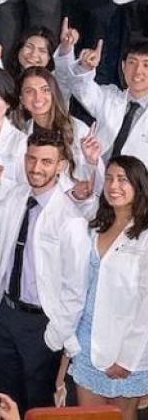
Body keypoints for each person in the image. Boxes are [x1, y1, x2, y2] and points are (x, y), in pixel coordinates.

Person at [0, 129, 97, 412]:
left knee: (37, 405)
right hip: (5, 314)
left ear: (60, 166)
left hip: (41, 323)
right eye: (31, 159)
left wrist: (54, 335)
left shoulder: (70, 219)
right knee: (5, 399)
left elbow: (76, 288)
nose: (36, 168)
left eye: (46, 161)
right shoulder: (14, 197)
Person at [50, 156, 148, 414]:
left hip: (125, 344)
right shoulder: (97, 225)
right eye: (110, 179)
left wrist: (128, 357)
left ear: (139, 186)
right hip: (86, 339)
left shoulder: (145, 235)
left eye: (123, 180)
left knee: (122, 415)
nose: (114, 185)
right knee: (90, 416)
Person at [56, 38, 148, 163]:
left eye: (146, 65)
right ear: (123, 66)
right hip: (98, 175)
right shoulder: (110, 97)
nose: (138, 71)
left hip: (138, 180)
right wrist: (85, 68)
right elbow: (83, 89)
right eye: (132, 62)